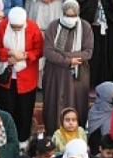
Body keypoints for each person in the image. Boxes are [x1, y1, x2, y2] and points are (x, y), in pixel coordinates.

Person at [41, 1, 94, 134]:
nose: (70, 19)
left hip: (78, 73)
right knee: (54, 101)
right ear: (62, 13)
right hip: (55, 73)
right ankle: (54, 133)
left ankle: (76, 133)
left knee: (76, 101)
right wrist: (68, 61)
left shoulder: (85, 27)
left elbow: (88, 52)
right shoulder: (53, 26)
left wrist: (64, 55)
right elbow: (48, 51)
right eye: (67, 16)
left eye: (73, 16)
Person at [0, 7, 44, 143]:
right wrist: (8, 54)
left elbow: (39, 50)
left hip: (27, 78)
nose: (16, 29)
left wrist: (25, 55)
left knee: (24, 111)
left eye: (19, 27)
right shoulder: (2, 26)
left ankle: (23, 140)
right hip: (7, 77)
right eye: (14, 27)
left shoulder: (33, 27)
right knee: (6, 109)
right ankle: (6, 139)